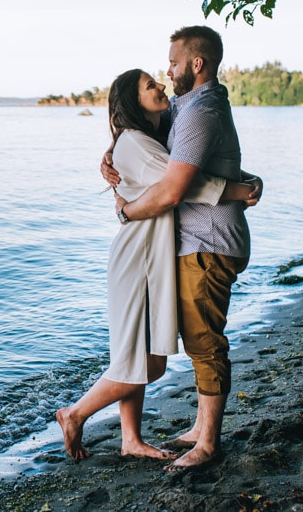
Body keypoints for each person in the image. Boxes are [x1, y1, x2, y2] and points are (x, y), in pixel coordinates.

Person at [56, 68, 259, 461]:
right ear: (135, 101)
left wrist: (246, 178)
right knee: (144, 361)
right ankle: (75, 413)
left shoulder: (147, 136)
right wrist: (237, 190)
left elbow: (190, 165)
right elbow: (178, 186)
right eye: (151, 86)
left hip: (153, 252)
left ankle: (130, 439)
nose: (161, 85)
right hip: (139, 256)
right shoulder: (134, 143)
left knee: (137, 353)